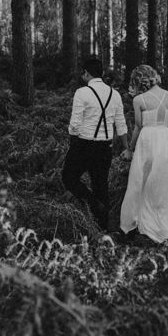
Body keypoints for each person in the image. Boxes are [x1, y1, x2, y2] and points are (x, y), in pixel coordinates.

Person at [120, 64, 168, 246]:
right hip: (165, 141)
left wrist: (130, 149)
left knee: (141, 182)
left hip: (147, 142)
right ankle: (167, 225)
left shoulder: (139, 100)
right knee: (165, 183)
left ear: (138, 81)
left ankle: (143, 225)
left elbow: (138, 127)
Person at [62, 57, 131, 230]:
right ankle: (104, 228)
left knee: (68, 177)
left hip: (84, 144)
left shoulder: (82, 93)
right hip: (105, 147)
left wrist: (73, 141)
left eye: (82, 73)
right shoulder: (114, 94)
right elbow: (121, 124)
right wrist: (126, 147)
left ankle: (92, 203)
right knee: (101, 185)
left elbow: (75, 124)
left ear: (86, 73)